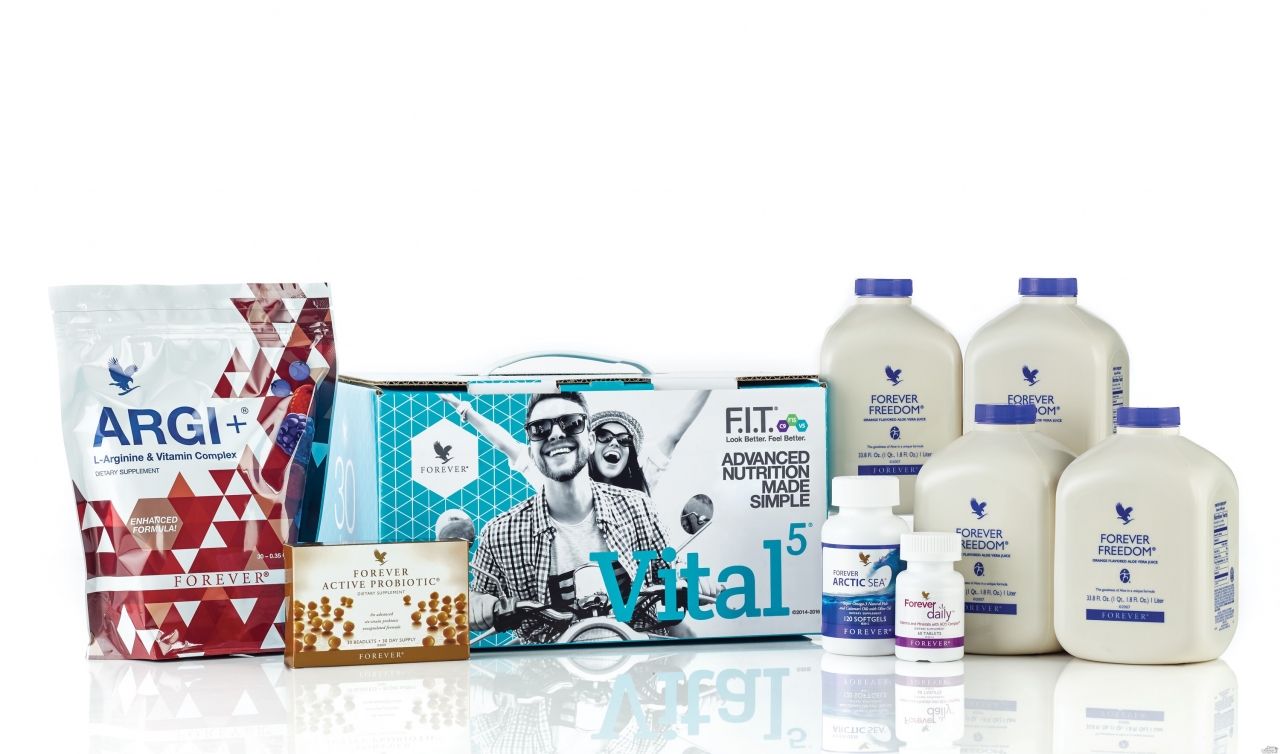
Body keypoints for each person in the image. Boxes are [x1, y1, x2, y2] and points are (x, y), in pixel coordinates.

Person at [467, 392, 675, 643]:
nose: (555, 434)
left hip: (639, 662)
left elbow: (673, 576)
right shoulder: (499, 534)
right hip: (547, 667)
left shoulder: (639, 508)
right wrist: (477, 603)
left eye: (572, 423)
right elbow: (474, 599)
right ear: (531, 450)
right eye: (540, 428)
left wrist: (695, 582)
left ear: (590, 440)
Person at [440, 390, 710, 494]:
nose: (614, 443)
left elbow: (674, 433)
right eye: (604, 437)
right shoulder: (560, 482)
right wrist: (463, 407)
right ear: (590, 443)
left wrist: (711, 380)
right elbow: (506, 444)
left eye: (623, 439)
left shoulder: (640, 489)